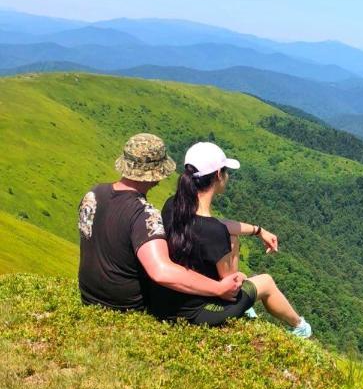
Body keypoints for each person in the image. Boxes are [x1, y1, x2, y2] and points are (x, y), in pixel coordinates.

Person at [151, 141, 312, 338]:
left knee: (233, 237)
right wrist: (241, 275)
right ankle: (300, 327)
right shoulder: (214, 232)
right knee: (267, 282)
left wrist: (258, 230)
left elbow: (217, 223)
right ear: (219, 174)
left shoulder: (173, 206)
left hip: (168, 301)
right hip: (199, 314)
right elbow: (231, 285)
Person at [78, 133, 246, 311]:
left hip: (89, 296)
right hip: (126, 305)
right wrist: (219, 288)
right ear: (156, 173)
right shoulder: (144, 214)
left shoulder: (94, 194)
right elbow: (162, 272)